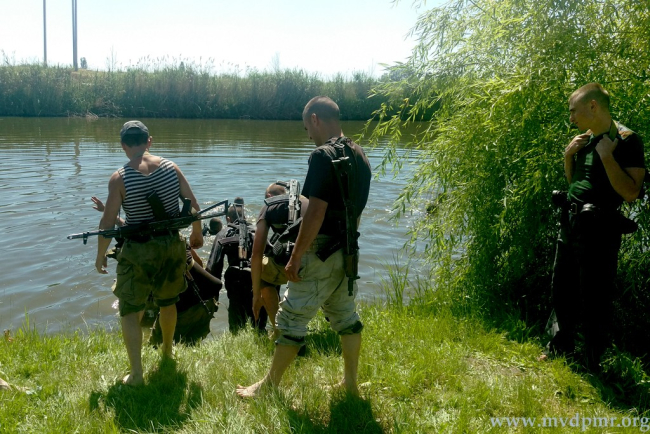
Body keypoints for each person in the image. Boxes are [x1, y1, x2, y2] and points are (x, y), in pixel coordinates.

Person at [237, 96, 372, 398]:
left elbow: (315, 212)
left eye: (306, 128)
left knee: (291, 319)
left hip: (319, 250)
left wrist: (295, 256)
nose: (308, 136)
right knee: (346, 318)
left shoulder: (322, 156)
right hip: (348, 250)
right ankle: (350, 383)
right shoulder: (360, 154)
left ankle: (267, 387)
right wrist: (349, 245)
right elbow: (356, 210)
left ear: (314, 119)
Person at [545, 83, 645, 369]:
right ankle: (559, 349)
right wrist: (568, 156)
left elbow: (631, 193)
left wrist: (607, 156)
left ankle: (591, 362)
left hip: (601, 229)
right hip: (571, 222)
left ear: (593, 106)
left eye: (573, 111)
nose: (571, 118)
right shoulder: (583, 139)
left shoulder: (626, 140)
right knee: (562, 289)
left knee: (596, 296)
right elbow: (575, 184)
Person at [96, 120, 203, 386]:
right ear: (149, 141)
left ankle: (137, 374)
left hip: (139, 251)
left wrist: (100, 255)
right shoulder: (171, 168)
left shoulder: (119, 178)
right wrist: (197, 233)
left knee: (130, 309)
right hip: (172, 246)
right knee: (168, 302)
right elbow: (194, 206)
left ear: (123, 145)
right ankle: (167, 352)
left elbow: (107, 224)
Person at [251, 183, 309, 337]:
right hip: (316, 260)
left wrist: (256, 295)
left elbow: (256, 254)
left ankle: (278, 328)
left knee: (263, 276)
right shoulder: (306, 200)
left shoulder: (269, 206)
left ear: (269, 197)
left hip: (291, 262)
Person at [206, 198, 268, 333]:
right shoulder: (258, 231)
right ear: (245, 216)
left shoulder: (223, 234)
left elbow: (214, 266)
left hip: (236, 282)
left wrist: (212, 296)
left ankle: (237, 338)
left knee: (236, 327)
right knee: (259, 324)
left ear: (228, 219)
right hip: (258, 281)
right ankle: (261, 336)